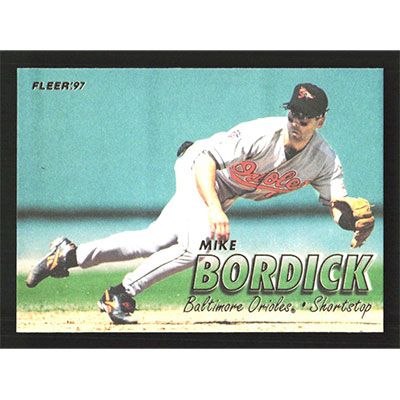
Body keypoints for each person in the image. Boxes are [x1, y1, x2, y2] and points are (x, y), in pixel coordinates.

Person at [26, 83, 375, 324]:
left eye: (306, 116)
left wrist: (349, 220)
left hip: (224, 189)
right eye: (294, 113)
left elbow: (337, 204)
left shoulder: (325, 160)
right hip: (200, 167)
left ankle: (67, 255)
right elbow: (207, 160)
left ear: (320, 120)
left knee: (153, 241)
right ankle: (121, 293)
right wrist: (213, 208)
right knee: (198, 247)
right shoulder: (262, 133)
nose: (297, 122)